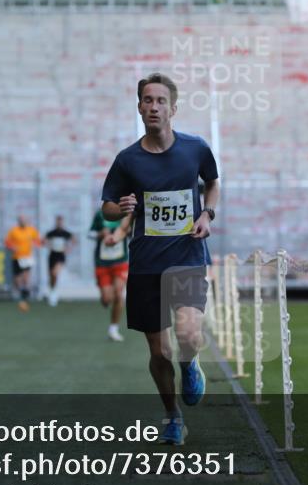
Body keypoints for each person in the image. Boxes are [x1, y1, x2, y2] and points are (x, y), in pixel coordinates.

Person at [101, 73, 220, 446]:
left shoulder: (195, 148)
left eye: (160, 101)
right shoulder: (127, 160)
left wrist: (207, 215)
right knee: (159, 351)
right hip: (146, 265)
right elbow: (106, 208)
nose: (153, 107)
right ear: (139, 107)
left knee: (187, 335)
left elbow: (213, 183)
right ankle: (172, 417)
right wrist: (119, 208)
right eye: (147, 100)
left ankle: (191, 364)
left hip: (187, 257)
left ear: (173, 108)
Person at [90, 210, 133, 342]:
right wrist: (100, 234)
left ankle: (113, 329)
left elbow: (132, 232)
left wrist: (128, 230)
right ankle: (105, 298)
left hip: (120, 261)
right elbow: (89, 233)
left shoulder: (126, 214)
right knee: (107, 299)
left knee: (119, 294)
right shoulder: (99, 214)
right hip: (102, 262)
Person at [4, 214, 41, 312]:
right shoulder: (14, 230)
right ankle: (21, 294)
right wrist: (12, 247)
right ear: (18, 221)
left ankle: (25, 297)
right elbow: (7, 242)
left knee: (26, 278)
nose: (23, 222)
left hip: (27, 257)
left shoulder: (31, 230)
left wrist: (37, 244)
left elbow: (38, 240)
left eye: (24, 220)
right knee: (17, 280)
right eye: (21, 220)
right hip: (16, 257)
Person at [44, 215, 73, 307]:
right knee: (51, 276)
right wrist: (48, 245)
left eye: (60, 221)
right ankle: (52, 291)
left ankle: (54, 293)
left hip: (60, 256)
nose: (59, 223)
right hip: (52, 256)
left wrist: (68, 248)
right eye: (58, 221)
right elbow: (44, 240)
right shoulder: (51, 233)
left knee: (55, 273)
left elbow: (74, 240)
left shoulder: (65, 233)